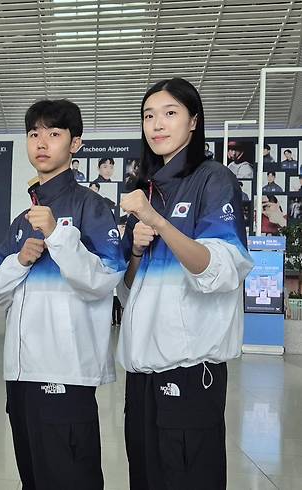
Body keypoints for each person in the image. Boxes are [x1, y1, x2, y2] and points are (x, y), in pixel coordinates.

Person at [117, 78, 253, 490]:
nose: (157, 124)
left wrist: (159, 222)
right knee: (146, 476)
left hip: (192, 370)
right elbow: (129, 289)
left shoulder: (213, 180)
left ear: (193, 122)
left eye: (170, 113)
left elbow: (221, 270)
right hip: (142, 371)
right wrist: (138, 249)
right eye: (148, 115)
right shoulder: (145, 189)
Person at [0, 99, 125, 490]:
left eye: (54, 133)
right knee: (33, 477)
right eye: (34, 134)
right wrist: (21, 260)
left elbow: (105, 279)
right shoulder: (22, 219)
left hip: (66, 370)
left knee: (69, 478)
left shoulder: (93, 207)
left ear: (75, 144)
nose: (41, 143)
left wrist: (59, 237)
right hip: (20, 372)